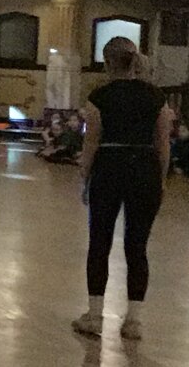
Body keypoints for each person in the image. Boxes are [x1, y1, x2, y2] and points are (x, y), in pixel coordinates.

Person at [71, 34, 175, 341]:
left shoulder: (99, 97)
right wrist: (162, 178)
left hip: (109, 167)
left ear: (107, 63)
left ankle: (95, 315)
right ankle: (134, 321)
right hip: (145, 169)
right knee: (137, 246)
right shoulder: (157, 97)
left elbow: (91, 143)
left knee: (99, 243)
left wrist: (85, 175)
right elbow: (163, 144)